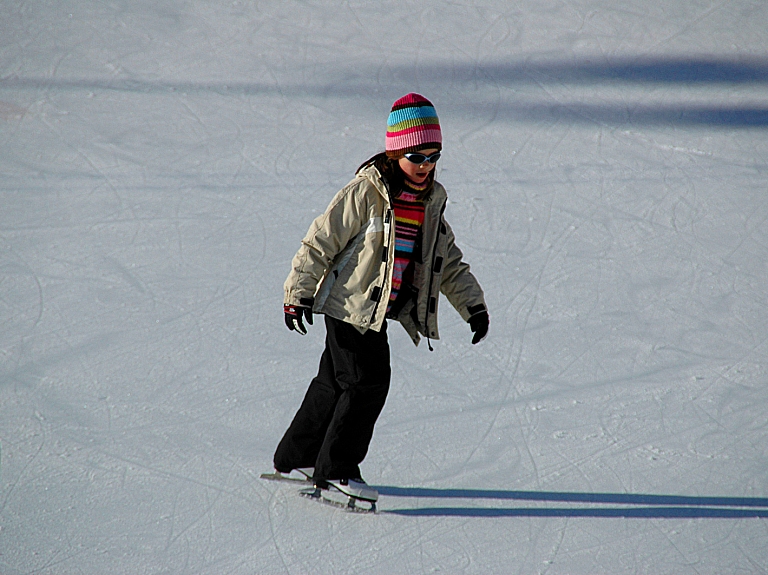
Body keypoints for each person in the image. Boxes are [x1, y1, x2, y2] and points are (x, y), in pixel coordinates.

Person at [272, 93, 489, 502]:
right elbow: (320, 242)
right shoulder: (366, 193)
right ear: (395, 152)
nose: (426, 165)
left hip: (376, 312)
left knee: (333, 385)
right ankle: (336, 470)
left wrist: (472, 305)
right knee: (367, 382)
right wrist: (297, 293)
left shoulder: (429, 204)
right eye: (416, 155)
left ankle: (296, 456)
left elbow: (448, 262)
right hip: (349, 308)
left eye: (433, 156)